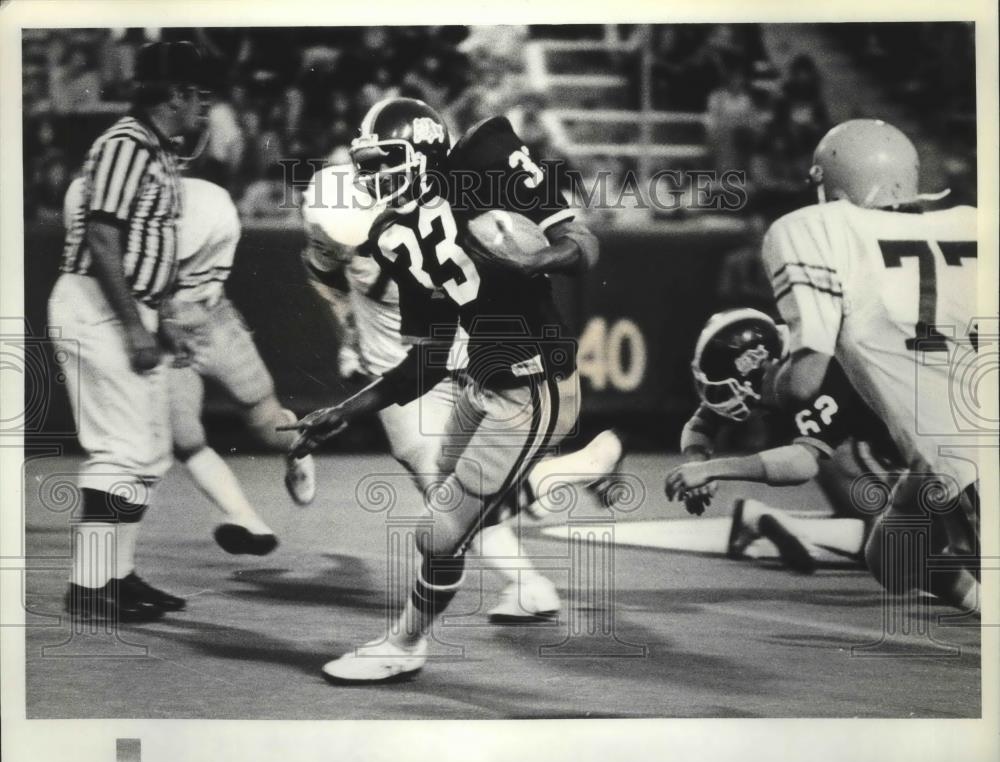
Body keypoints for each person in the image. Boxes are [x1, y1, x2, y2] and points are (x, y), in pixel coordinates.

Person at [290, 97, 609, 683]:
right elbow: (434, 352)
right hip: (481, 381)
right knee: (448, 501)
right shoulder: (393, 233)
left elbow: (585, 243)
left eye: (383, 161)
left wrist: (539, 259)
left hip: (533, 380)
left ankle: (405, 643)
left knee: (438, 531)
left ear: (424, 150)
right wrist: (350, 408)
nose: (371, 177)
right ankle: (554, 479)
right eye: (365, 165)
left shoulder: (486, 156)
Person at [759, 119, 980, 613]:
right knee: (893, 555)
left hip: (967, 465)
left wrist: (765, 383)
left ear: (832, 186)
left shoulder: (819, 231)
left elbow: (802, 384)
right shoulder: (974, 222)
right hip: (957, 451)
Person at [49, 41, 207, 622]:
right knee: (120, 449)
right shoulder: (124, 144)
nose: (201, 109)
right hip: (97, 302)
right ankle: (89, 588)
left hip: (127, 304)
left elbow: (149, 247)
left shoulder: (155, 149)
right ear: (176, 95)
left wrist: (158, 320)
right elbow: (102, 238)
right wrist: (130, 325)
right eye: (196, 96)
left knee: (147, 451)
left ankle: (115, 576)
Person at [664, 309, 903, 572]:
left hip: (886, 445)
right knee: (907, 541)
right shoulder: (774, 353)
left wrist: (710, 470)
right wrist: (698, 462)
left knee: (908, 539)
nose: (722, 397)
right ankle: (787, 524)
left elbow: (801, 462)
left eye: (726, 386)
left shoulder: (816, 363)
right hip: (861, 448)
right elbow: (700, 425)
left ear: (761, 365)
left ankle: (767, 521)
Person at [161, 177, 316, 554]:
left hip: (212, 319)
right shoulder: (126, 196)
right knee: (185, 438)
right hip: (161, 330)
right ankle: (245, 518)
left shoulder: (204, 201)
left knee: (264, 421)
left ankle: (298, 445)